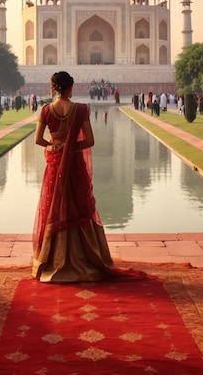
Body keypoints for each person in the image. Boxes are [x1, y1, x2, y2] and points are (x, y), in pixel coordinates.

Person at [32, 71, 146, 283]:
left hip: (55, 163)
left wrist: (55, 145)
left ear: (53, 87)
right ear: (70, 88)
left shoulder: (46, 110)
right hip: (74, 162)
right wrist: (70, 146)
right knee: (78, 203)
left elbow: (38, 140)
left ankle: (52, 259)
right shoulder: (81, 109)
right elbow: (90, 141)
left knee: (55, 204)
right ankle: (84, 256)